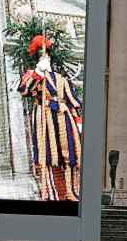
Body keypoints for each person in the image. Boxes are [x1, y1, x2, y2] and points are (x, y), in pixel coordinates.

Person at [18, 35, 83, 201]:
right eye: (41, 55)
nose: (45, 57)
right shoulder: (32, 74)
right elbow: (25, 90)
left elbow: (72, 101)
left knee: (69, 152)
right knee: (48, 153)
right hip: (44, 114)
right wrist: (38, 72)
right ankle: (51, 193)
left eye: (46, 54)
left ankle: (71, 190)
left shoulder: (61, 79)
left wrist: (78, 123)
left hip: (63, 115)